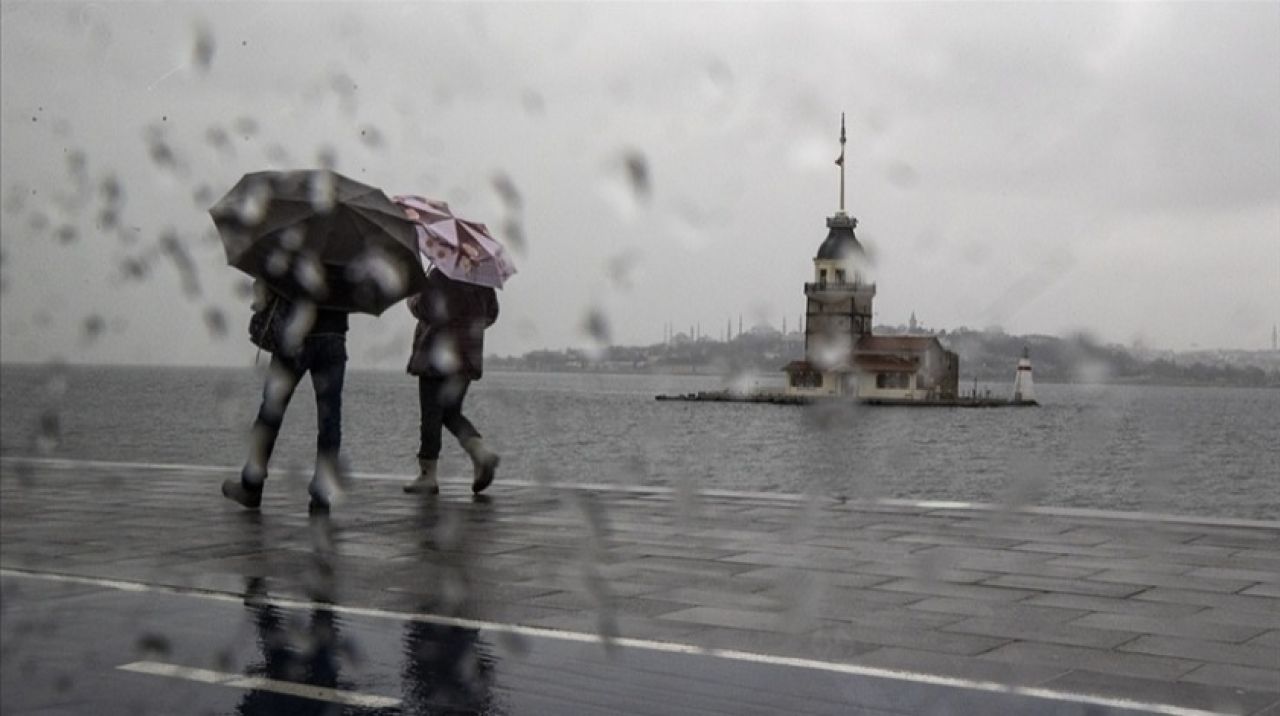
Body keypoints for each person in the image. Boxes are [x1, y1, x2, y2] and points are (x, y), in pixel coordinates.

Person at [222, 279, 350, 511]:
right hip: (333, 336)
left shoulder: (298, 244)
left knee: (270, 413)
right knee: (330, 419)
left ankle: (252, 485)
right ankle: (321, 494)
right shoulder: (351, 249)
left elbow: (274, 278)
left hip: (295, 335)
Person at [402, 268, 500, 495]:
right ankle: (480, 453)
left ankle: (428, 476)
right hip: (466, 357)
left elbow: (426, 308)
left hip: (436, 356)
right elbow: (491, 314)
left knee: (431, 414)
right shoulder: (481, 279)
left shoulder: (439, 275)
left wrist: (412, 298)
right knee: (450, 412)